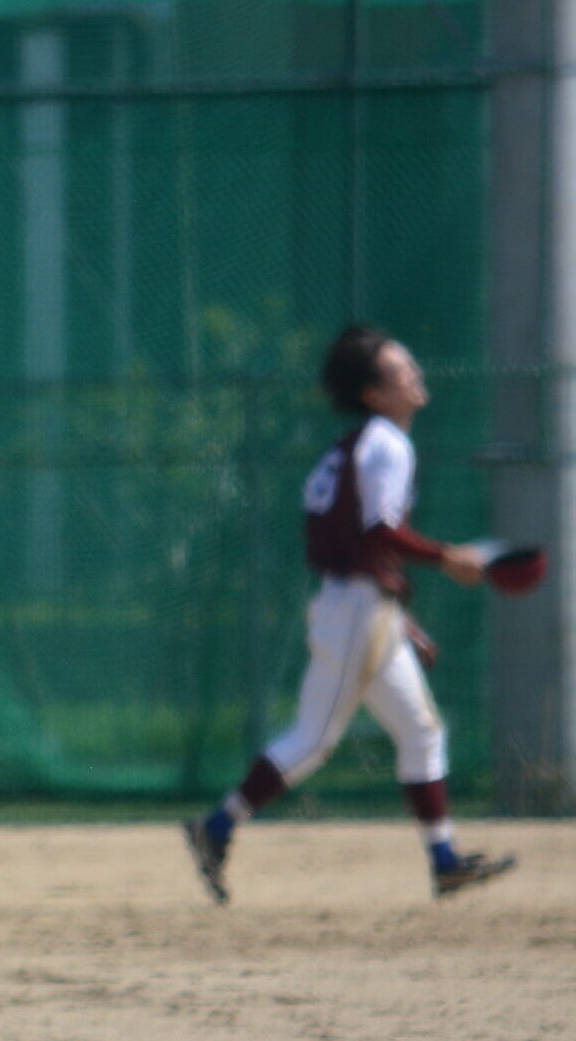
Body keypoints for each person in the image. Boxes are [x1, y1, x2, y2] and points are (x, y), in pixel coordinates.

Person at [184, 323, 513, 904]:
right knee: (314, 739)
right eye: (400, 370)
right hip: (356, 609)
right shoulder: (387, 443)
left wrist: (399, 618)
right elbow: (378, 531)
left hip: (361, 606)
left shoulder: (357, 445)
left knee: (421, 731)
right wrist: (445, 557)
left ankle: (444, 860)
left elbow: (352, 541)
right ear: (373, 393)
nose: (415, 374)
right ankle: (216, 825)